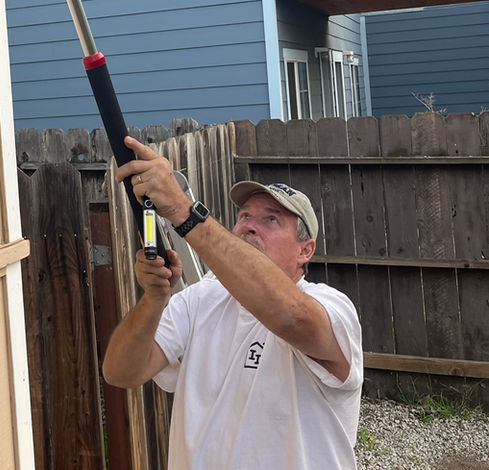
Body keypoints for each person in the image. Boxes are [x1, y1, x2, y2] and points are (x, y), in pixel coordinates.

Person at [102, 136, 363, 469]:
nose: (250, 226)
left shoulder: (330, 307)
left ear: (305, 250)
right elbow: (120, 372)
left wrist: (184, 211)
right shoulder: (199, 300)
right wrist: (154, 300)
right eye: (244, 216)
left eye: (272, 219)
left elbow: (291, 318)